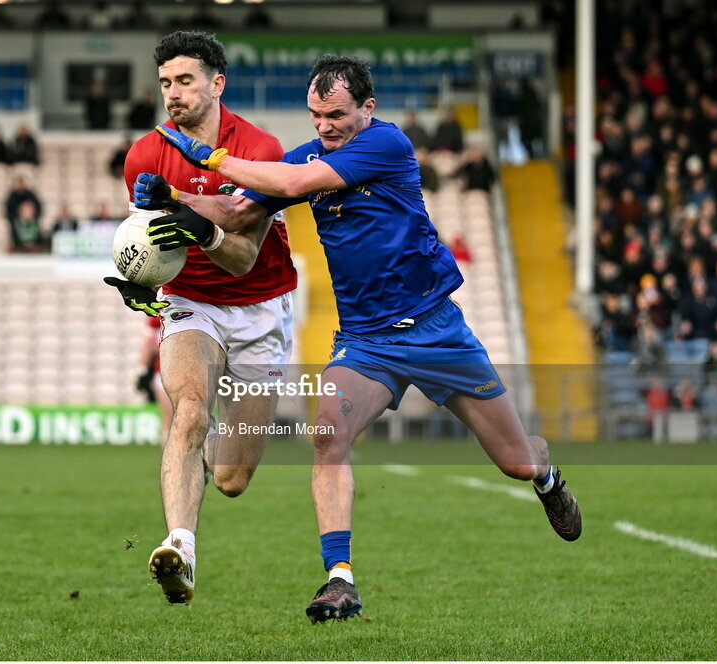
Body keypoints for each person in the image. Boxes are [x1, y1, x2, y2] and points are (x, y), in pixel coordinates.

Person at [151, 54, 581, 622]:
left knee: (516, 464)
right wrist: (174, 201)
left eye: (335, 115)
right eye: (315, 116)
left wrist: (211, 156)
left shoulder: (388, 146)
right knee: (326, 427)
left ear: (367, 109)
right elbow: (236, 211)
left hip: (435, 331)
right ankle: (339, 579)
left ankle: (544, 472)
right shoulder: (309, 154)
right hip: (366, 341)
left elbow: (296, 181)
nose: (323, 127)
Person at [102, 31, 297, 606]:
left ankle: (209, 463)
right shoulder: (144, 153)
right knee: (189, 409)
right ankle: (181, 549)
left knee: (232, 479)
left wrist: (201, 224)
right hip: (192, 303)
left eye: (185, 80)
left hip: (260, 304)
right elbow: (148, 238)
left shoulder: (261, 150)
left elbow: (241, 257)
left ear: (217, 83)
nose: (173, 93)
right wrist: (136, 282)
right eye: (165, 82)